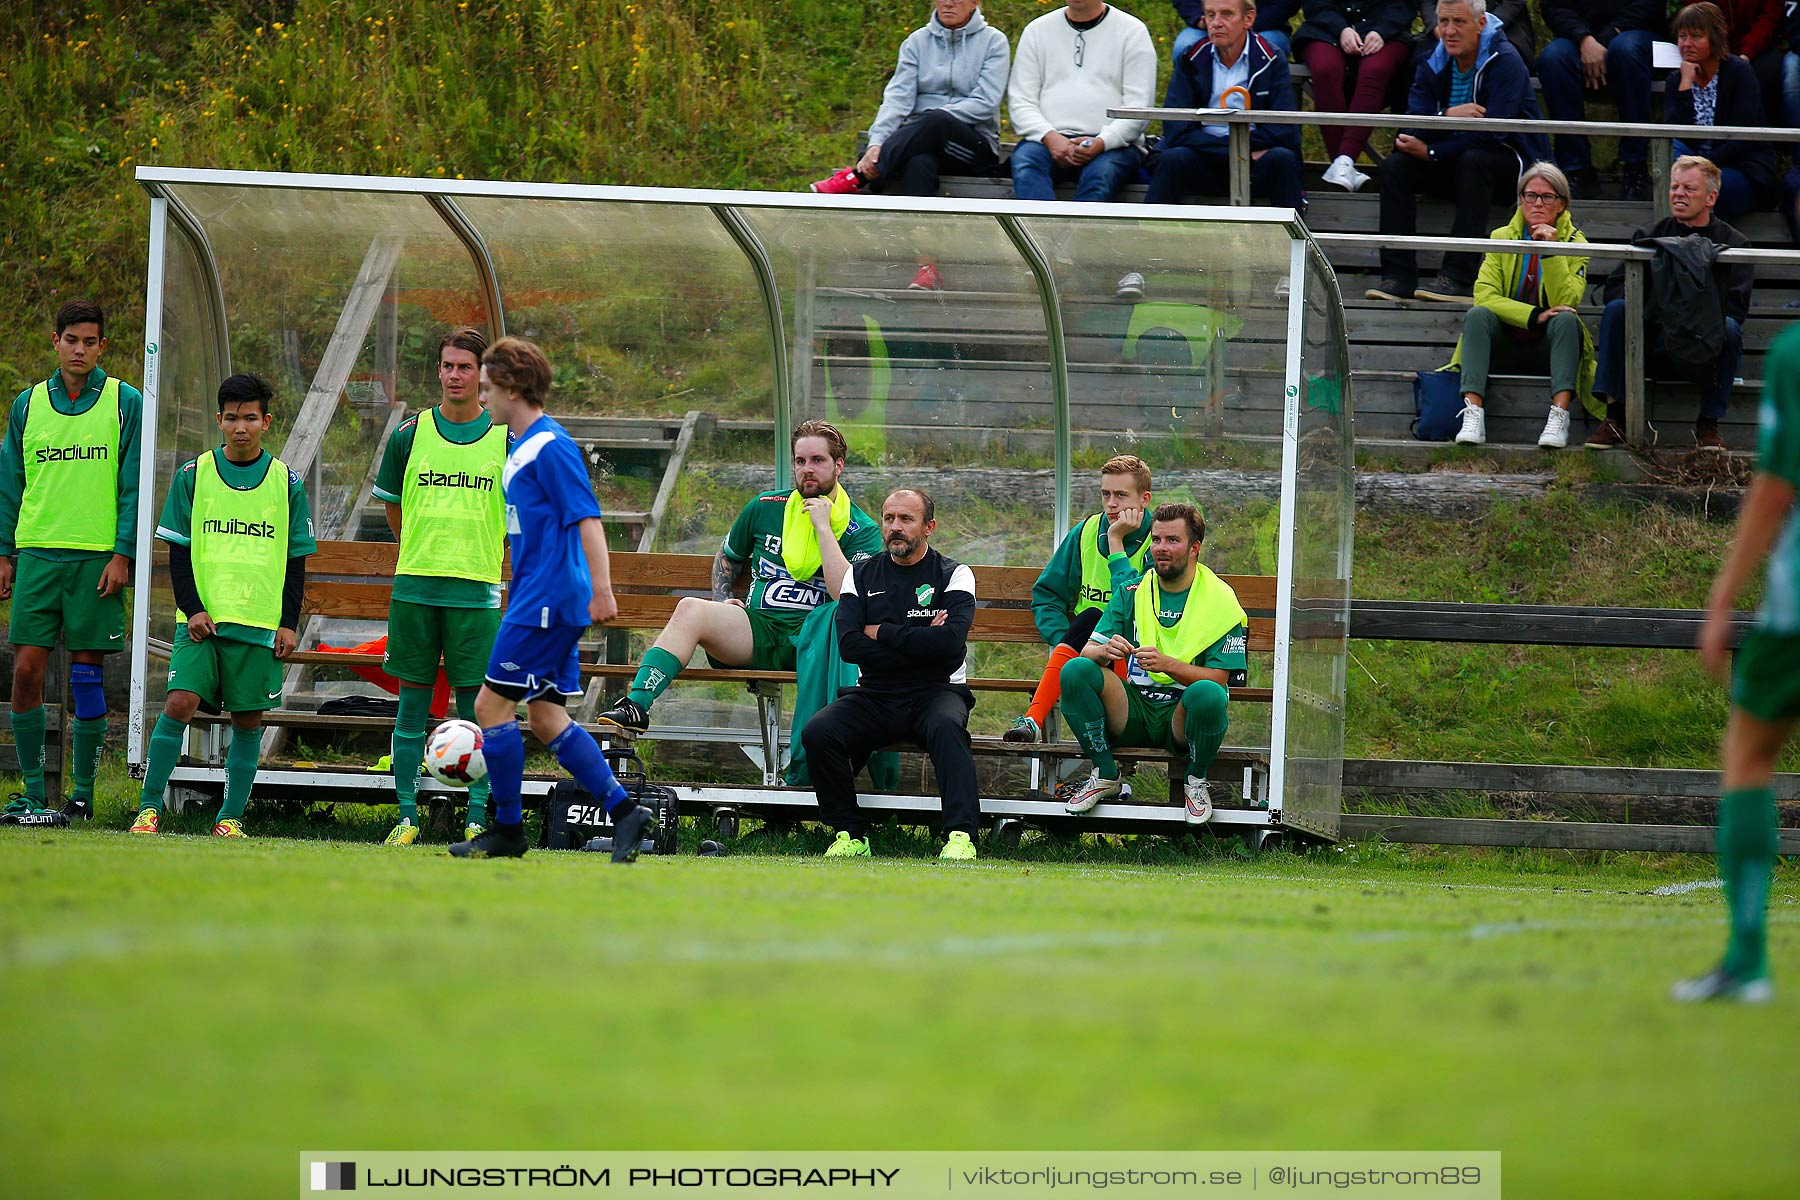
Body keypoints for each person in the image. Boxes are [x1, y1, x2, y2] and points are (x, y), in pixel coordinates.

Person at [453, 337, 645, 862]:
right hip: (538, 596)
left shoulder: (550, 446)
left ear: (513, 387)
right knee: (545, 718)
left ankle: (508, 829)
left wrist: (602, 590)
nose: (482, 395)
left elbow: (586, 518)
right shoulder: (522, 444)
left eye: (488, 386)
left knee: (491, 705)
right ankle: (627, 814)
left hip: (547, 600)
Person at [598, 421, 881, 738]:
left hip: (818, 642)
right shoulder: (765, 507)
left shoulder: (862, 528)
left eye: (818, 461)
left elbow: (847, 596)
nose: (807, 470)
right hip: (759, 630)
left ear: (838, 465)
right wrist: (721, 596)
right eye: (801, 461)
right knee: (691, 608)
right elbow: (728, 556)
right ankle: (637, 706)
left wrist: (823, 528)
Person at [129, 374, 315, 837]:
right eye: (231, 418)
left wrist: (288, 625)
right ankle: (149, 809)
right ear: (219, 420)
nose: (240, 427)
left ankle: (229, 818)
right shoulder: (194, 475)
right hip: (200, 623)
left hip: (258, 624)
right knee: (179, 703)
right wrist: (191, 608)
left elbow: (295, 561)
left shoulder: (286, 482)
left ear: (266, 422)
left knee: (247, 720)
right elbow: (176, 550)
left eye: (250, 417)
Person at [1683, 317, 1800, 1006]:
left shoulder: (1792, 352)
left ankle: (1748, 961)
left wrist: (1722, 598)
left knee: (1750, 755)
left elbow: (1776, 485)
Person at [0, 300, 141, 829]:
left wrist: (122, 552)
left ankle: (81, 799)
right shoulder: (27, 404)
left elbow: (132, 485)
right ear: (54, 340)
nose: (79, 350)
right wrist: (4, 554)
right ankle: (34, 796)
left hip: (95, 561)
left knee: (86, 677)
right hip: (36, 556)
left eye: (90, 341)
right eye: (70, 340)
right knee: (26, 673)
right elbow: (9, 483)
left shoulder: (125, 402)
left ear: (102, 346)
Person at [370, 327, 505, 847]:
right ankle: (406, 816)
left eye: (465, 367)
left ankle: (475, 816)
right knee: (412, 705)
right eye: (447, 366)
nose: (454, 375)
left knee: (477, 711)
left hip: (475, 592)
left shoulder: (504, 437)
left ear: (483, 375)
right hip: (415, 590)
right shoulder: (409, 434)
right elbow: (392, 504)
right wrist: (419, 551)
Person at [801, 488, 980, 861]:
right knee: (819, 732)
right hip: (875, 693)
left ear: (928, 526)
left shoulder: (955, 574)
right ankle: (849, 833)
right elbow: (849, 645)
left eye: (906, 519)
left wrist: (881, 631)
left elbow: (949, 646)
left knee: (948, 729)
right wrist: (922, 640)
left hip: (937, 691)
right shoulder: (860, 575)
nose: (895, 528)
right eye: (889, 519)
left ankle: (960, 835)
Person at [1058, 503, 1247, 824]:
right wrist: (1105, 652)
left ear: (1194, 548)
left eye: (1172, 540)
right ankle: (1104, 774)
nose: (1161, 548)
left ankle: (1196, 780)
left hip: (1181, 718)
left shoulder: (1220, 600)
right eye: (1156, 540)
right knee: (1076, 670)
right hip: (1133, 710)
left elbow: (1218, 680)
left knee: (1209, 694)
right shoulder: (1133, 590)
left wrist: (1167, 664)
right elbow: (1089, 650)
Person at [1366, 0, 1550, 305]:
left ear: (1480, 24)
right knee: (1395, 167)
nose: (1449, 31)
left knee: (1474, 160)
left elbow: (1494, 134)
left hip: (1511, 168)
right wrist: (1447, 115)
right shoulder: (1432, 61)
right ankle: (1398, 276)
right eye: (1444, 21)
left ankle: (1459, 277)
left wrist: (1432, 151)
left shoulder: (1505, 60)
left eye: (1459, 22)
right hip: (1453, 163)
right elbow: (1414, 123)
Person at [1588, 155, 1753, 450]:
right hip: (1652, 343)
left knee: (1729, 328)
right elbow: (1614, 288)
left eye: (1689, 189)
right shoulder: (1648, 236)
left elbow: (1736, 308)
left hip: (1702, 345)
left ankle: (1708, 424)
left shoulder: (1735, 244)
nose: (1678, 194)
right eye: (1675, 187)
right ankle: (1615, 419)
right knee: (1617, 310)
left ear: (1711, 197)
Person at [1004, 455, 1156, 744]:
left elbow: (1134, 603)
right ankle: (1032, 722)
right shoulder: (1086, 532)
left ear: (1144, 499)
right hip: (1086, 652)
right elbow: (1047, 595)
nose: (1112, 504)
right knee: (1089, 620)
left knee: (1098, 617)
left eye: (1121, 496)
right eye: (1105, 495)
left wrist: (1116, 540)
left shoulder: (1158, 540)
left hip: (1135, 656)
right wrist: (1068, 641)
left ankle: (1036, 720)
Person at [1445, 163, 1598, 450]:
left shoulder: (1578, 243)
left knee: (1566, 320)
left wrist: (1551, 252)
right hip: (1504, 343)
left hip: (1551, 348)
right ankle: (1473, 415)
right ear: (1521, 200)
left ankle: (1559, 417)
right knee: (1478, 315)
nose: (1537, 203)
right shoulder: (1501, 237)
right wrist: (1534, 316)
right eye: (1530, 195)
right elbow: (1484, 295)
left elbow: (1567, 301)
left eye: (1547, 197)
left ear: (1562, 205)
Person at [809, 0, 1010, 209]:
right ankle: (919, 233)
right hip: (917, 141)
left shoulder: (993, 42)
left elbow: (985, 102)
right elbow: (897, 99)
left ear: (974, 3)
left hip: (972, 147)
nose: (948, 4)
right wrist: (876, 142)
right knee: (918, 163)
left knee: (936, 119)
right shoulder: (917, 41)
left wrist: (931, 120)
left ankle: (861, 176)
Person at [1144, 0, 1306, 212]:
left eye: (1226, 14)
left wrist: (1242, 151)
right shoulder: (1191, 58)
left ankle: (1294, 243)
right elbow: (1176, 129)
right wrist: (1235, 150)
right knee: (1173, 159)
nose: (1216, 23)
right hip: (1208, 160)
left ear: (1248, 19)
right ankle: (1145, 236)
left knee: (1282, 158)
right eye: (1210, 15)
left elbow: (1284, 131)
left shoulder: (1271, 59)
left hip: (1255, 166)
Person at [1007, 0, 1158, 203]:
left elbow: (1138, 108)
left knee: (1101, 175)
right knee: (1026, 162)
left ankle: (1075, 235)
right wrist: (1049, 136)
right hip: (1047, 141)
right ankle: (1039, 233)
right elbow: (1021, 100)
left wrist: (1102, 142)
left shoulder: (1132, 32)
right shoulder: (1037, 30)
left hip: (1112, 146)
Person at [1536, 0, 1665, 200]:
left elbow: (1649, 7)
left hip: (1632, 34)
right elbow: (1554, 7)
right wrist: (1584, 39)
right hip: (1578, 39)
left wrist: (1605, 41)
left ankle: (1635, 167)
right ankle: (1576, 170)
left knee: (1626, 50)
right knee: (1553, 58)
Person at [1666, 1, 1780, 222]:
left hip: (1739, 167)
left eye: (1696, 36)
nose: (1687, 44)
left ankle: (1696, 247)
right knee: (1678, 175)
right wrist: (1685, 86)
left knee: (1701, 190)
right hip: (1692, 172)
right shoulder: (1676, 80)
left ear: (1715, 39)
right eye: (1682, 36)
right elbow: (1677, 134)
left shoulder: (1739, 72)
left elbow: (1743, 137)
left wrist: (1703, 168)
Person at [1292, 0, 1418, 192]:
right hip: (1325, 30)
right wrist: (1342, 29)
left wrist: (1381, 31)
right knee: (1325, 68)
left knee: (1376, 69)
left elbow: (1404, 6)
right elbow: (1315, 5)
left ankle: (1343, 162)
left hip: (1386, 33)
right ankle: (1343, 165)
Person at [1172, 0, 1300, 63]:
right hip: (1209, 25)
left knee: (1265, 47)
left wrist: (1245, 23)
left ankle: (1259, 108)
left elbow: (1286, 4)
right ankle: (1191, 109)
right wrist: (1200, 19)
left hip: (1265, 26)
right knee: (1184, 47)